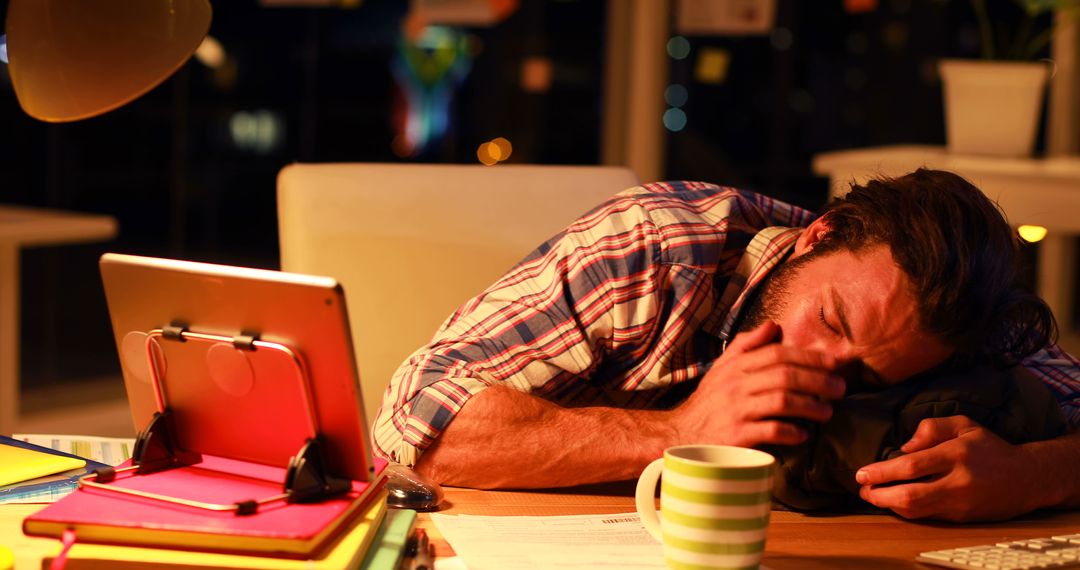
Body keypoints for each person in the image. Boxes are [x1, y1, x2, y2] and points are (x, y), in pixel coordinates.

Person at [371, 169, 1080, 522]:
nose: (824, 369)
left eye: (865, 373)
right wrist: (680, 431)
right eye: (830, 322)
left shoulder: (954, 326)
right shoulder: (658, 247)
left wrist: (1031, 474)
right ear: (821, 234)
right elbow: (416, 420)